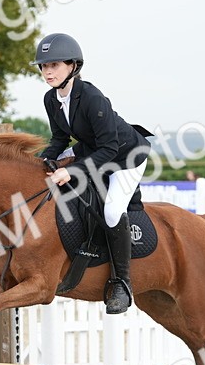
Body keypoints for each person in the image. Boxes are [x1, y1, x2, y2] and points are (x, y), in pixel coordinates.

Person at [33, 32, 151, 314]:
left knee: (111, 211)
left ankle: (122, 284)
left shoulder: (92, 98)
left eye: (55, 65)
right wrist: (41, 161)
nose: (48, 71)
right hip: (94, 153)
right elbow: (60, 139)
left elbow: (109, 148)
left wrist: (71, 170)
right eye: (44, 66)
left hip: (126, 157)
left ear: (73, 66)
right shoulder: (51, 99)